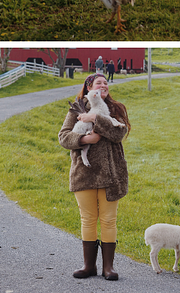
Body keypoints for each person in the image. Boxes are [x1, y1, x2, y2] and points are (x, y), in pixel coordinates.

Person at [58, 73, 131, 281]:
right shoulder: (77, 108)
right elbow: (63, 136)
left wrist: (95, 119)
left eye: (106, 82)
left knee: (109, 220)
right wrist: (84, 138)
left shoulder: (115, 109)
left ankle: (108, 268)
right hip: (84, 173)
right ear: (89, 86)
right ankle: (88, 266)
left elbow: (118, 133)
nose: (104, 85)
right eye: (99, 82)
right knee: (88, 219)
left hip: (111, 174)